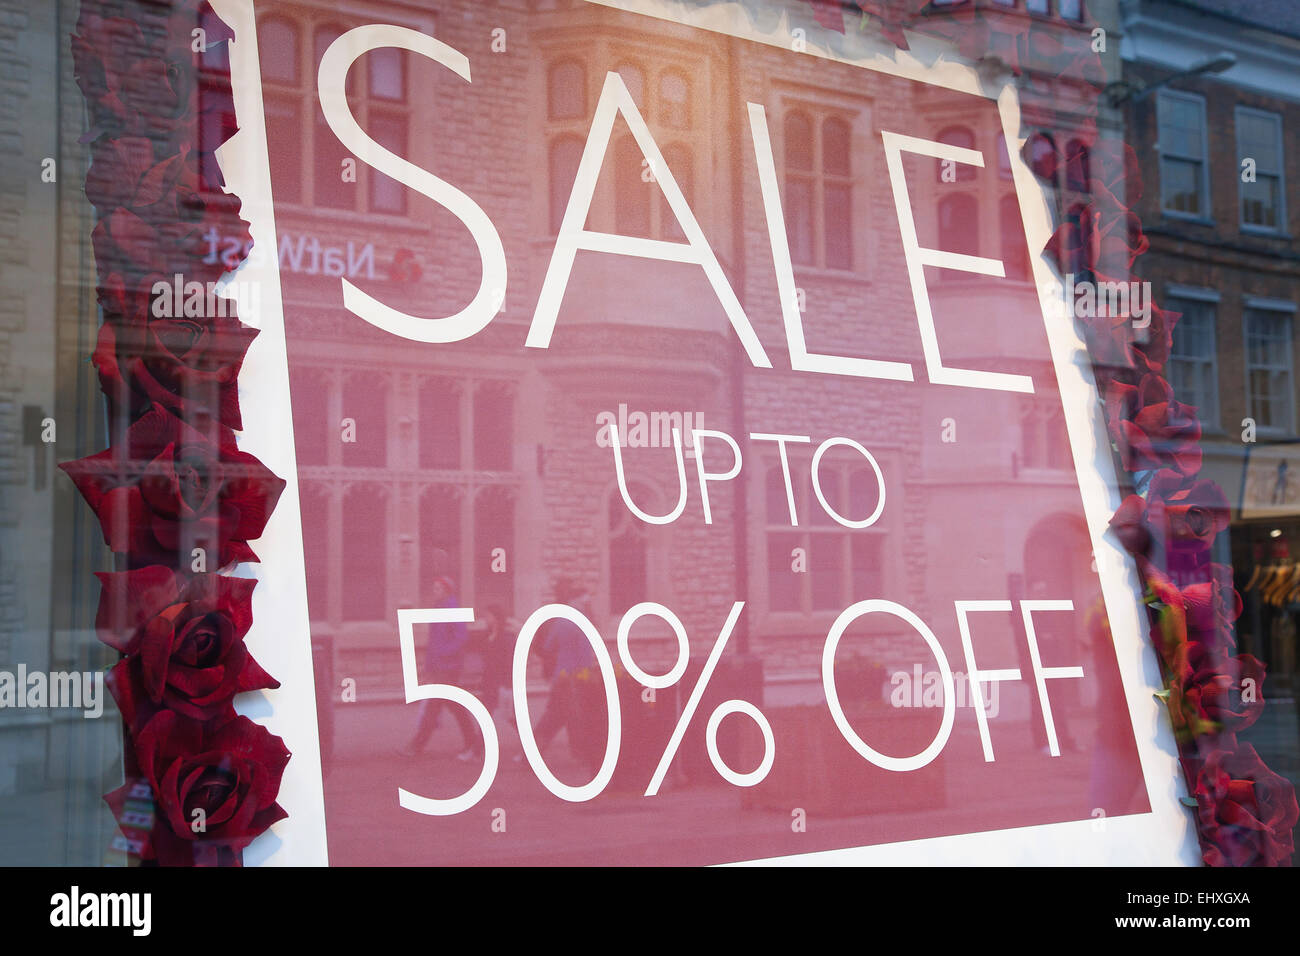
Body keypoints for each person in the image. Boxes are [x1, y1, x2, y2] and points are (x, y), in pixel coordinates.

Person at [398, 576, 483, 761]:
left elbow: (461, 639)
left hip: (448, 667)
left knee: (434, 706)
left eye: (437, 589)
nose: (434, 591)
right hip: (439, 666)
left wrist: (443, 654)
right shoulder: (438, 609)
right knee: (454, 706)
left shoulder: (453, 610)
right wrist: (429, 665)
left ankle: (417, 745)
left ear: (446, 591)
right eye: (434, 588)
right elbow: (433, 641)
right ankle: (471, 741)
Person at [531, 578, 598, 761]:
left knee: (561, 716)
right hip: (577, 678)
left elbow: (547, 646)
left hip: (561, 676)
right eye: (586, 600)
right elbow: (586, 653)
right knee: (564, 716)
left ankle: (534, 752)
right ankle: (534, 752)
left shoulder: (562, 620)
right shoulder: (582, 621)